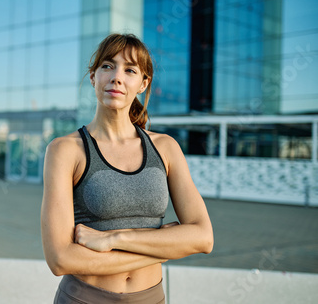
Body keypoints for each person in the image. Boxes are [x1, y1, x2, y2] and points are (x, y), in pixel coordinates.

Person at [41, 33, 213, 303]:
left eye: (130, 70)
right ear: (93, 77)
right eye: (107, 66)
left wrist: (114, 239)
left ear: (143, 84)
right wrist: (165, 247)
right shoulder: (65, 150)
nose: (117, 77)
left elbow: (203, 237)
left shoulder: (165, 148)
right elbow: (60, 258)